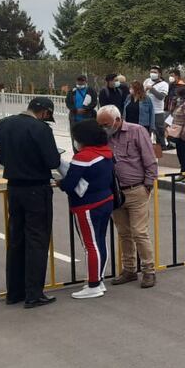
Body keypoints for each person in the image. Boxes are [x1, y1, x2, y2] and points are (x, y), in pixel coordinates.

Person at [0, 97, 62, 309]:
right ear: (44, 113)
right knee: (37, 241)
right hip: (36, 189)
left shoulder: (5, 123)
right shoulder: (41, 129)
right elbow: (53, 161)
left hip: (14, 189)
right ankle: (34, 294)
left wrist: (1, 159)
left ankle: (14, 292)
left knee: (16, 240)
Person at [97, 105, 158, 289]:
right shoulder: (103, 137)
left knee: (139, 232)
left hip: (136, 189)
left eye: (106, 124)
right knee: (124, 233)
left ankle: (149, 271)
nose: (104, 128)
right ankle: (129, 269)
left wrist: (148, 185)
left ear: (117, 120)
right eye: (100, 125)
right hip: (115, 192)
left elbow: (150, 160)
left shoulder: (136, 131)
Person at [59, 120, 115, 299]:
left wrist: (60, 183)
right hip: (106, 200)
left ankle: (93, 285)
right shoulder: (106, 151)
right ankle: (99, 279)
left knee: (90, 245)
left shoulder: (83, 157)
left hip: (87, 205)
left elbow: (69, 184)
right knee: (100, 241)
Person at [144, 66, 170, 148]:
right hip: (146, 111)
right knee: (145, 132)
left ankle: (161, 149)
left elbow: (161, 97)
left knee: (159, 132)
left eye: (155, 72)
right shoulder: (146, 81)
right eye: (151, 72)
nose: (152, 73)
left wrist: (152, 89)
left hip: (157, 112)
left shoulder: (164, 84)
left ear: (160, 74)